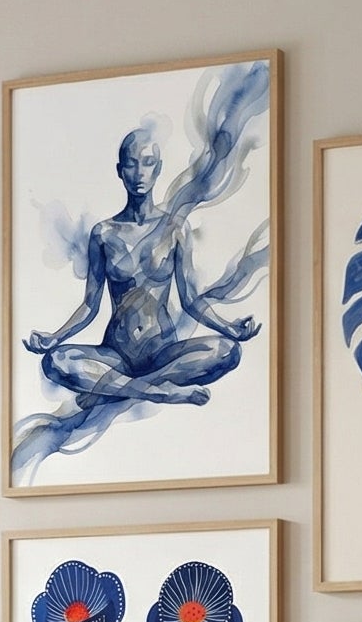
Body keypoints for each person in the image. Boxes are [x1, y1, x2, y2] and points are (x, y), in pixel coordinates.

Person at [24, 127, 260, 412]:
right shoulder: (103, 233)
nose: (139, 173)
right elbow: (90, 305)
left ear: (158, 169)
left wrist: (229, 327)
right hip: (116, 354)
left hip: (163, 353)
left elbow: (191, 300)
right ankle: (158, 392)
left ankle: (112, 390)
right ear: (120, 170)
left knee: (228, 351)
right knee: (55, 361)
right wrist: (54, 337)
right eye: (131, 164)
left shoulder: (175, 229)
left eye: (148, 163)